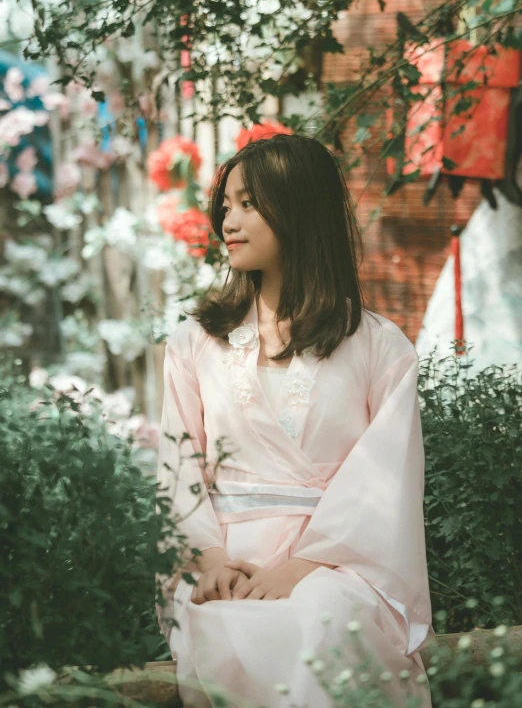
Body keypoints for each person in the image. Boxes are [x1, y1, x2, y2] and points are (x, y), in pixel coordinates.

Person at [155, 133, 434, 708]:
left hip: (341, 564)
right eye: (226, 205)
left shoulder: (380, 347)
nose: (228, 220)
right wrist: (207, 562)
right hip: (225, 561)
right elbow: (177, 470)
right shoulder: (193, 343)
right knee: (227, 622)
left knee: (324, 620)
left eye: (249, 203)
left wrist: (296, 573)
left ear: (301, 210)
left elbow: (384, 483)